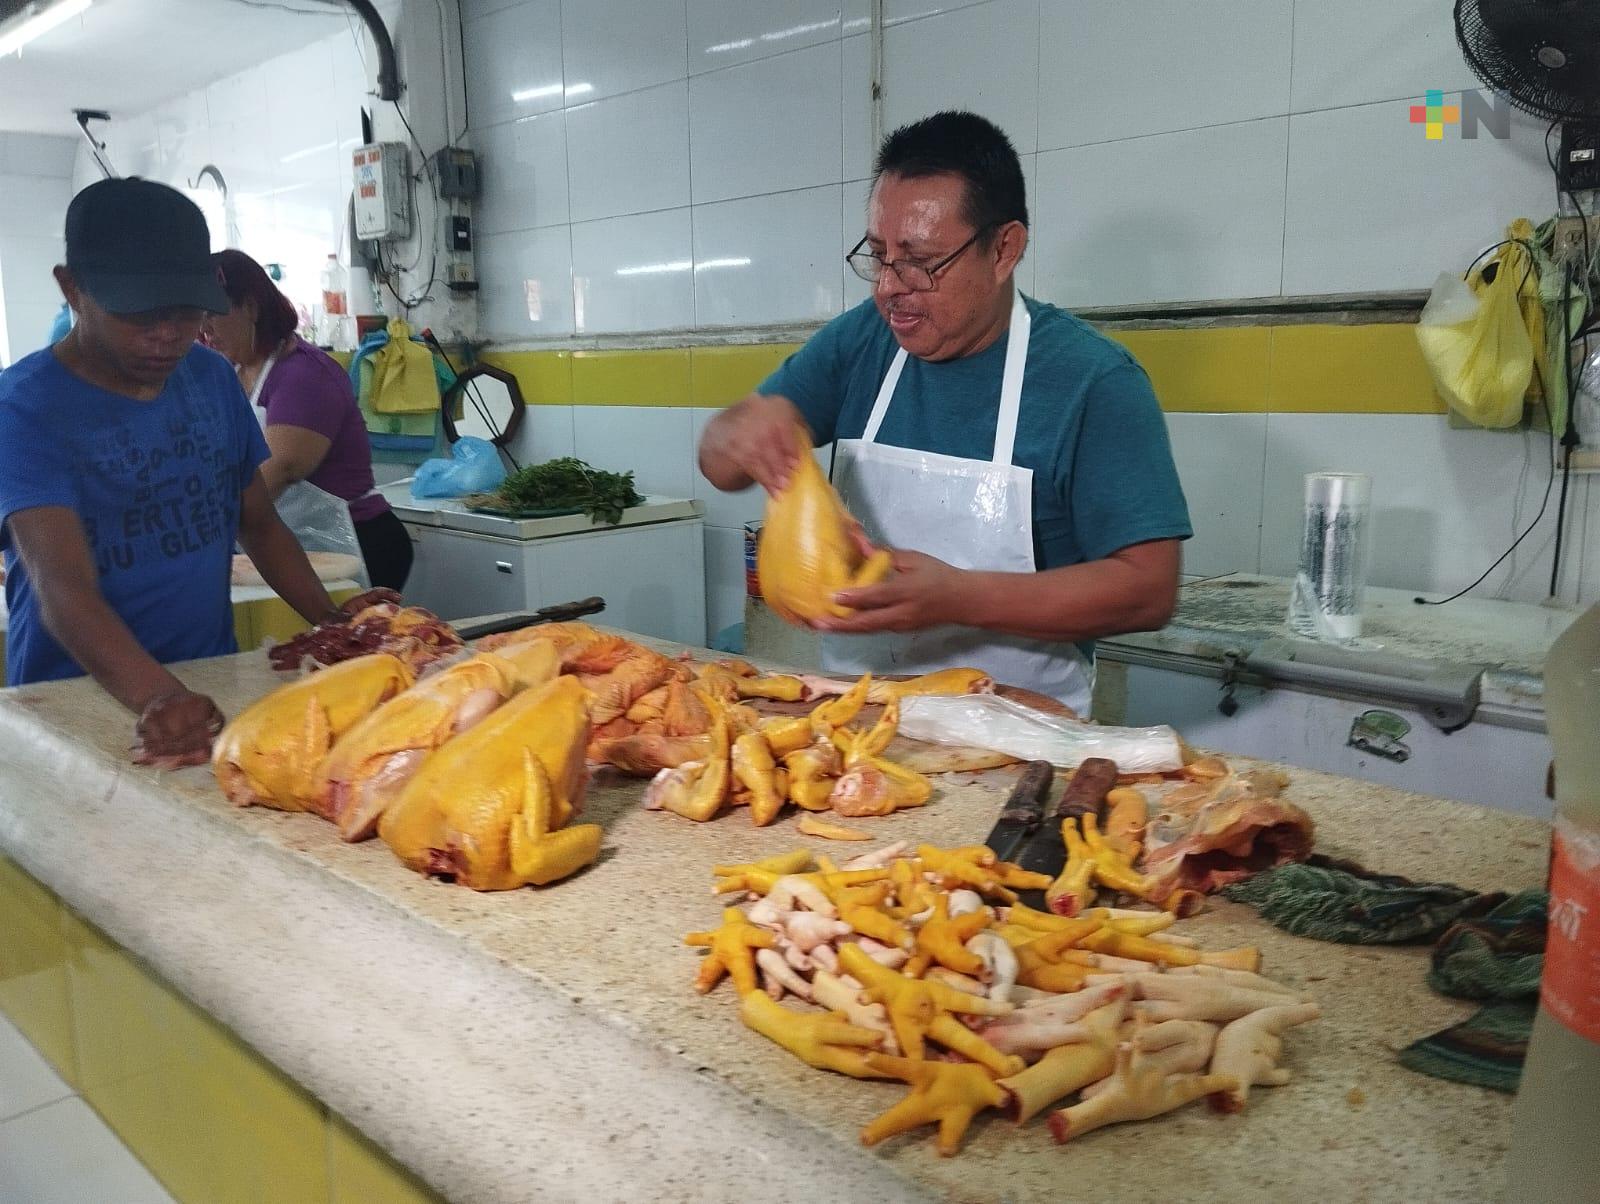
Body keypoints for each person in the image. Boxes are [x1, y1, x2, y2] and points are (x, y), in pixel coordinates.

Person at [698, 111, 1192, 715]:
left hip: (1021, 731)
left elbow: (1148, 589)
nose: (888, 286)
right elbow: (720, 466)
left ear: (1004, 249)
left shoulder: (1093, 381)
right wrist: (736, 432)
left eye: (920, 260)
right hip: (857, 719)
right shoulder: (861, 342)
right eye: (878, 255)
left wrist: (960, 597)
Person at [0, 178, 385, 764]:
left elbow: (259, 525)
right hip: (73, 700)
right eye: (140, 315)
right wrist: (157, 696)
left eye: (186, 313)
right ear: (72, 289)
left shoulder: (208, 378)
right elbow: (62, 588)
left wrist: (335, 626)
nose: (168, 336)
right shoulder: (24, 409)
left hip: (205, 681)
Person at [203, 249, 413, 591]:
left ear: (251, 308)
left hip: (354, 543)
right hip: (291, 540)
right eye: (196, 315)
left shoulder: (304, 374)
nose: (204, 329)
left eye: (212, 313)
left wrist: (199, 531)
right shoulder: (233, 372)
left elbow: (279, 470)